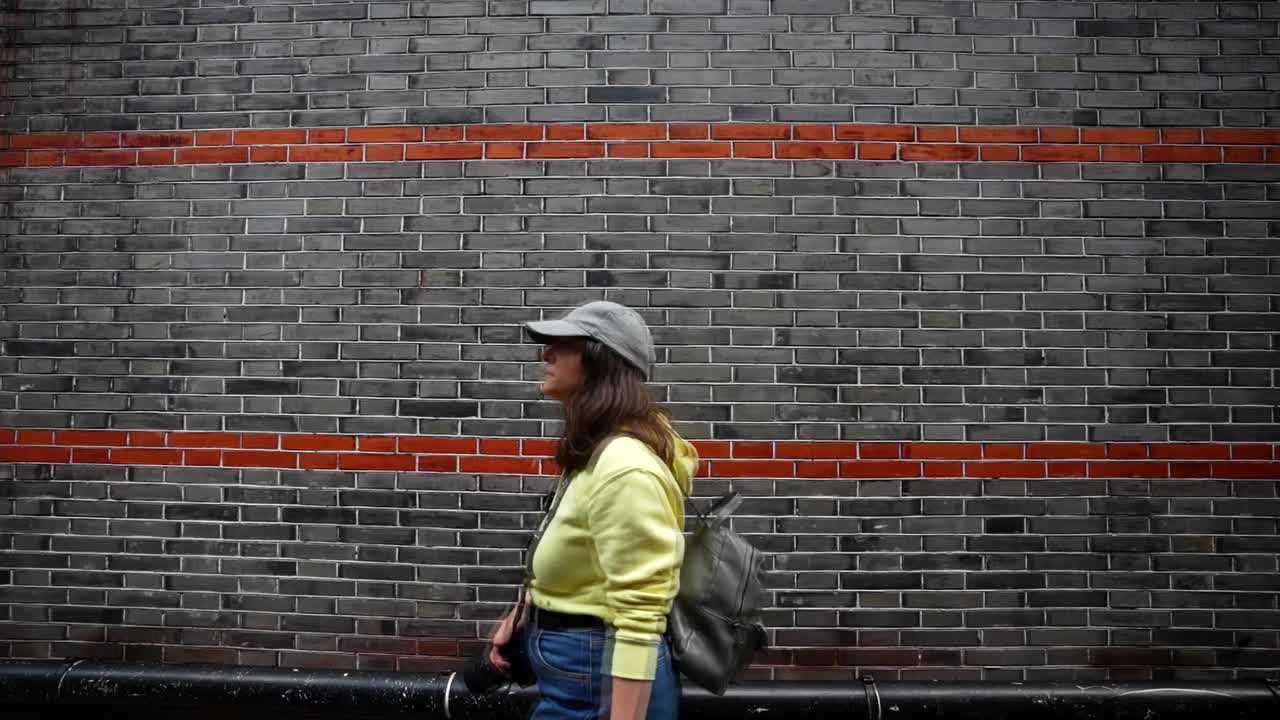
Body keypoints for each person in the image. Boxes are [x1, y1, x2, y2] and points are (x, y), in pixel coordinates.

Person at [487, 300, 698, 720]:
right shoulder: (599, 449)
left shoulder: (624, 466)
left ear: (601, 361)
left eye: (562, 345)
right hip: (579, 661)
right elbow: (581, 553)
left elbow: (640, 613)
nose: (544, 355)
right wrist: (526, 612)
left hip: (594, 669)